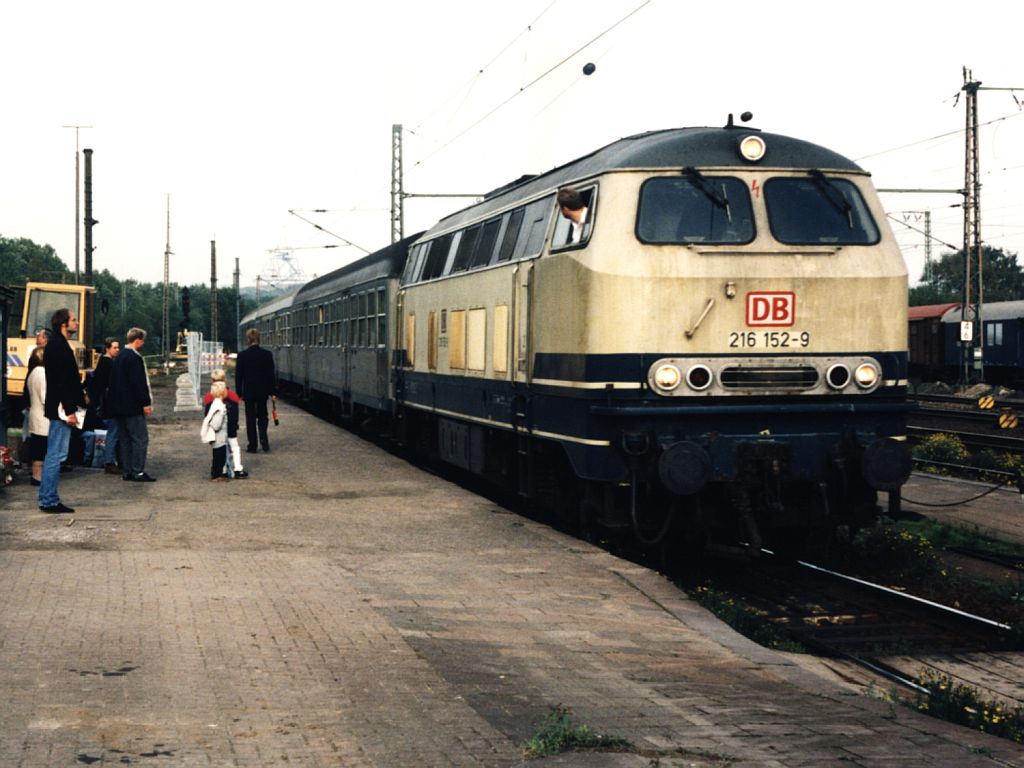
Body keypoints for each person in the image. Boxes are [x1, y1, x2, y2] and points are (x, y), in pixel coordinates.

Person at [38, 308, 84, 513]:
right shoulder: (58, 346)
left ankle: (48, 498)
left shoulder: (58, 344)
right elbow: (62, 382)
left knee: (55, 454)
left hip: (60, 407)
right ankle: (48, 500)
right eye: (74, 320)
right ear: (63, 324)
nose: (77, 323)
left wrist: (81, 395)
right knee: (56, 455)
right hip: (61, 408)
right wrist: (70, 410)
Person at [106, 327, 156, 482]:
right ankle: (138, 471)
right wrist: (145, 403)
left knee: (125, 439)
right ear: (138, 340)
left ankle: (127, 471)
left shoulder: (119, 357)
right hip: (133, 407)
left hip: (119, 407)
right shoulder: (134, 358)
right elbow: (138, 383)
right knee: (140, 439)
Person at [236, 328, 276, 453]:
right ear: (258, 339)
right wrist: (273, 392)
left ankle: (252, 445)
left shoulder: (242, 355)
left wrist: (239, 393)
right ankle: (264, 440)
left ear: (248, 340)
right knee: (263, 417)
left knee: (250, 418)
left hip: (248, 392)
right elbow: (271, 375)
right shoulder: (267, 354)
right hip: (262, 392)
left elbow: (239, 376)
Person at [203, 369, 247, 478]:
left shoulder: (208, 397)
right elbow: (235, 414)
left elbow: (207, 415)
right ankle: (237, 468)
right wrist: (234, 426)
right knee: (234, 447)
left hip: (217, 430)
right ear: (225, 379)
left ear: (212, 380)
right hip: (231, 427)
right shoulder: (232, 396)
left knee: (220, 449)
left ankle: (222, 469)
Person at [89, 337, 122, 474]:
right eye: (114, 347)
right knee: (113, 433)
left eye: (118, 347)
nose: (117, 350)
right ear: (107, 348)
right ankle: (109, 461)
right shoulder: (108, 363)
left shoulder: (104, 362)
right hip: (110, 404)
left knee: (114, 432)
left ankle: (111, 460)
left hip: (106, 403)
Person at [25, 347, 48, 486]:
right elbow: (45, 398)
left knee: (37, 447)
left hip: (35, 414)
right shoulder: (43, 373)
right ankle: (38, 476)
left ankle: (36, 474)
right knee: (42, 448)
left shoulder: (33, 372)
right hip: (43, 418)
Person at [200, 381, 230, 481]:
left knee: (218, 456)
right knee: (219, 457)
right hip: (219, 437)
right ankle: (216, 475)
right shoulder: (220, 407)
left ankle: (217, 474)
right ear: (222, 392)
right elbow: (216, 425)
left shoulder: (216, 403)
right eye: (225, 389)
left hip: (219, 437)